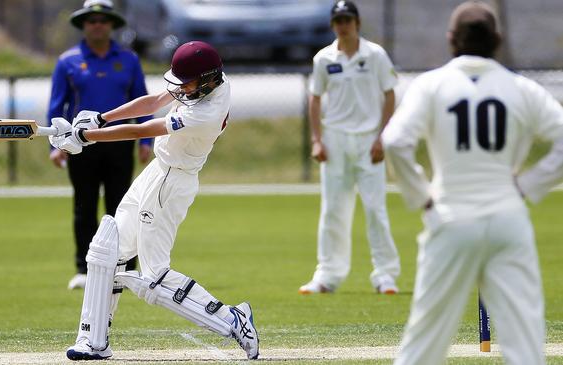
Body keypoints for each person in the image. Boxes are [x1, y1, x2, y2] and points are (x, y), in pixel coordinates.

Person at [49, 41, 259, 361]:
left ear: (207, 80)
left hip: (172, 183)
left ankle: (234, 320)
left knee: (154, 278)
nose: (181, 88)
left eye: (187, 82)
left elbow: (144, 129)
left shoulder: (206, 111)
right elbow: (154, 101)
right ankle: (94, 340)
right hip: (157, 171)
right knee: (109, 250)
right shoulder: (202, 82)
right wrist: (101, 119)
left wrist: (85, 137)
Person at [382, 2, 563, 364]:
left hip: (450, 219)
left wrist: (422, 195)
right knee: (525, 346)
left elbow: (393, 142)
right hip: (508, 218)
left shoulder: (431, 85)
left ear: (451, 40)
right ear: (497, 39)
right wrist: (528, 186)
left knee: (423, 344)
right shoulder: (520, 88)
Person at [48, 0, 152, 289]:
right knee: (85, 205)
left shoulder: (128, 59)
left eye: (103, 20)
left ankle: (125, 268)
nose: (97, 25)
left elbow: (142, 100)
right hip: (81, 143)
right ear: (83, 24)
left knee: (123, 205)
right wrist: (55, 145)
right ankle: (84, 268)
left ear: (111, 24)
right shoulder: (68, 61)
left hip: (120, 142)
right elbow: (58, 106)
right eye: (91, 20)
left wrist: (146, 139)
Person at [299, 0, 401, 295]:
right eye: (339, 20)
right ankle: (327, 276)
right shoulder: (324, 59)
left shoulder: (376, 55)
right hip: (336, 140)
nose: (343, 25)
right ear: (333, 25)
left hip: (369, 140)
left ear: (357, 23)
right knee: (333, 209)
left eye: (348, 20)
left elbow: (389, 94)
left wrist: (383, 137)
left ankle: (385, 275)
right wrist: (317, 140)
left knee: (375, 208)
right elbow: (315, 98)